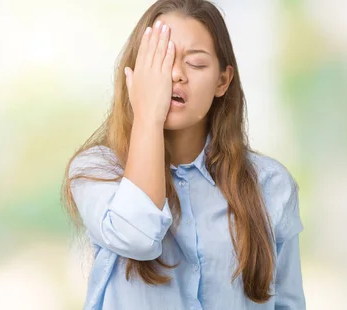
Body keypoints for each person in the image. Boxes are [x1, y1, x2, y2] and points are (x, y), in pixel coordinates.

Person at [60, 0, 305, 309]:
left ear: (222, 81)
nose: (175, 74)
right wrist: (148, 115)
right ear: (134, 75)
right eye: (161, 61)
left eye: (196, 63)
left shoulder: (270, 184)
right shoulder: (97, 171)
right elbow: (138, 237)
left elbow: (288, 302)